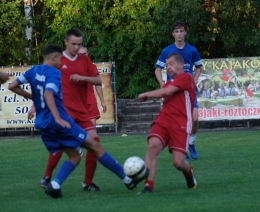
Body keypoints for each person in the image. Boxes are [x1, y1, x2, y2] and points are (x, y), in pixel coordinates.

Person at [8, 44, 148, 198]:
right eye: (60, 59)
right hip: (60, 122)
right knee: (95, 146)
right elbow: (48, 94)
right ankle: (127, 179)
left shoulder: (33, 70)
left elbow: (13, 86)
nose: (61, 62)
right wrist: (57, 117)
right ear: (54, 57)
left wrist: (34, 98)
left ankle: (54, 184)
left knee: (74, 155)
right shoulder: (54, 73)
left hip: (44, 126)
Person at [36, 29, 106, 192]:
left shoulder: (86, 63)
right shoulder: (59, 63)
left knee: (94, 141)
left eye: (80, 46)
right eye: (74, 45)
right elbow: (46, 83)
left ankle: (88, 182)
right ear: (67, 43)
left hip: (84, 108)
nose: (77, 49)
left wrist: (99, 97)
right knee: (63, 144)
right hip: (65, 110)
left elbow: (98, 81)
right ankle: (47, 176)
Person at [138, 53, 197, 194]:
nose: (168, 67)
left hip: (180, 124)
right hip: (163, 121)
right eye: (166, 65)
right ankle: (148, 186)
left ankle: (188, 172)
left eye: (171, 64)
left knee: (178, 162)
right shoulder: (169, 82)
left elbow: (167, 92)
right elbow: (166, 92)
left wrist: (146, 94)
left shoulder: (186, 77)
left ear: (181, 65)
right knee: (153, 146)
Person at [155, 20, 202, 161]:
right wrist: (163, 84)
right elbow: (158, 69)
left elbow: (199, 67)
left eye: (181, 31)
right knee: (177, 123)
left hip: (190, 90)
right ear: (173, 34)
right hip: (174, 92)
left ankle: (191, 143)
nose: (179, 34)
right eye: (176, 31)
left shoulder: (192, 50)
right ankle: (183, 150)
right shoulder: (167, 51)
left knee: (194, 119)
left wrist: (193, 81)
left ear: (185, 32)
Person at [78, 46, 107, 126]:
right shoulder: (71, 67)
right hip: (77, 101)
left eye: (84, 54)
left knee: (92, 125)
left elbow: (98, 84)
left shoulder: (92, 67)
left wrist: (102, 101)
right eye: (80, 54)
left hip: (90, 100)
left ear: (88, 54)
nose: (83, 56)